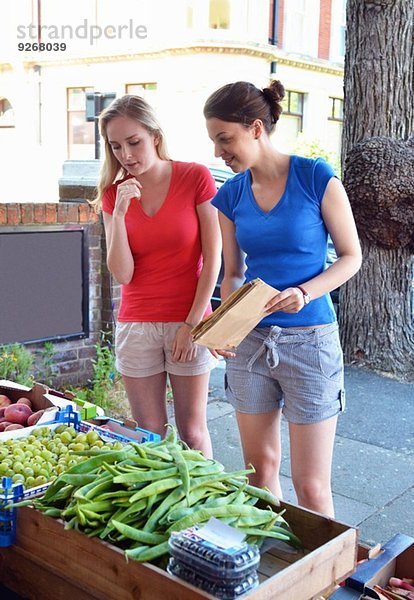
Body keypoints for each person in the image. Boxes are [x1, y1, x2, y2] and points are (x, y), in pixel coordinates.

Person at [204, 80, 362, 516]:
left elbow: (351, 257)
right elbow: (232, 273)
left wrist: (304, 292)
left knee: (311, 489)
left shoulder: (316, 177)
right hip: (251, 344)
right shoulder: (231, 194)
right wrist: (227, 326)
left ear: (256, 128)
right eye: (215, 141)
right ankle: (271, 574)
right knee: (260, 475)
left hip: (311, 343)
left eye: (225, 139)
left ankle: (321, 582)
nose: (219, 151)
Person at [94, 95, 221, 457]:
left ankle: (202, 509)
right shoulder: (113, 195)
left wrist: (191, 324)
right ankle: (164, 513)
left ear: (155, 136)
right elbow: (123, 274)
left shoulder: (194, 176)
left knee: (192, 433)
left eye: (134, 142)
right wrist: (118, 214)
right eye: (116, 146)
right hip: (137, 325)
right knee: (150, 436)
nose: (126, 155)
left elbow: (213, 259)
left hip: (189, 319)